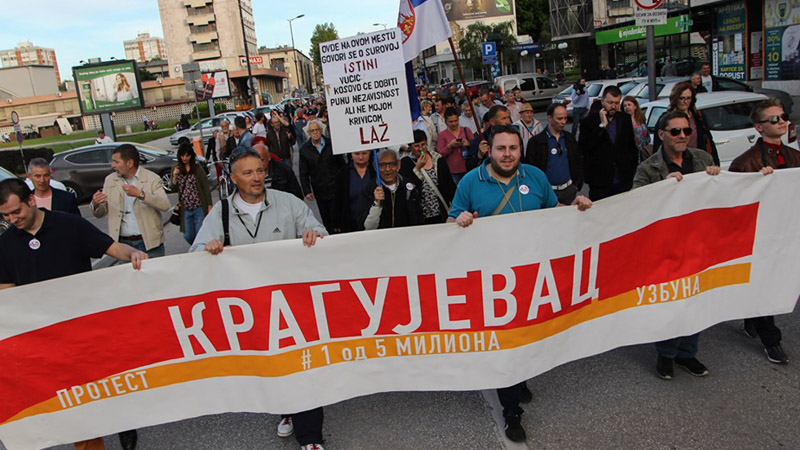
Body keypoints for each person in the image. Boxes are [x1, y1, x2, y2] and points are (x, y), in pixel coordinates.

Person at [447, 125, 591, 443]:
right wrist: (459, 222)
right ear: (489, 150)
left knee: (528, 335)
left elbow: (554, 213)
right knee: (506, 345)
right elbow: (449, 223)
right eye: (501, 148)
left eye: (513, 148)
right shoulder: (471, 182)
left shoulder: (535, 177)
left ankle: (520, 376)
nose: (508, 154)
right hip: (493, 282)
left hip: (531, 277)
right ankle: (511, 411)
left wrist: (577, 211)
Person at [189, 150, 327, 450]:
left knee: (302, 364)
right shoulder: (222, 212)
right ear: (234, 178)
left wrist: (313, 234)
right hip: (250, 309)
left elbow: (319, 231)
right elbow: (195, 253)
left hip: (292, 302)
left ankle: (311, 437)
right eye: (248, 173)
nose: (256, 178)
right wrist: (208, 247)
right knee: (274, 366)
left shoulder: (288, 202)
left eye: (260, 170)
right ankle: (288, 409)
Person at [0, 178, 146, 450]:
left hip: (84, 328)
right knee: (74, 400)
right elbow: (6, 290)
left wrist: (133, 254)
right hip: (45, 336)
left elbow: (112, 248)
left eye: (16, 212)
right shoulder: (5, 244)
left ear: (31, 201)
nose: (12, 219)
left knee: (105, 386)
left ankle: (123, 422)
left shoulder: (69, 225)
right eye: (5, 215)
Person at [630, 111, 721, 380]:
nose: (682, 136)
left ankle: (687, 354)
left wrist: (716, 176)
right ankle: (666, 355)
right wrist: (660, 190)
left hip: (698, 245)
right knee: (670, 302)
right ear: (661, 135)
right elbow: (634, 205)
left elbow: (720, 196)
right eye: (675, 132)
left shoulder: (702, 159)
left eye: (686, 131)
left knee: (695, 299)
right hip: (665, 248)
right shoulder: (648, 168)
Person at [729, 99, 799, 364]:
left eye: (782, 117)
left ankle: (751, 320)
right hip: (760, 236)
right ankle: (772, 340)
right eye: (773, 119)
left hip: (789, 232)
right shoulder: (745, 163)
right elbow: (734, 202)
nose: (781, 122)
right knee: (764, 284)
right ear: (759, 127)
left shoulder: (795, 157)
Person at [91, 144, 171, 258]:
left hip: (149, 244)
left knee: (154, 275)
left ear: (129, 163)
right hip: (123, 245)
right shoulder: (110, 180)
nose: (112, 165)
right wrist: (96, 204)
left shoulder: (152, 179)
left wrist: (141, 194)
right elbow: (101, 213)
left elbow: (165, 205)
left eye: (116, 162)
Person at [578, 85, 639, 200]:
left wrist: (631, 169)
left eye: (616, 103)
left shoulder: (624, 119)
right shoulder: (588, 122)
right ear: (602, 101)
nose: (613, 106)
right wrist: (602, 126)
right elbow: (585, 147)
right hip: (600, 181)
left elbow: (631, 146)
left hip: (622, 180)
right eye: (610, 102)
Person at [526, 103, 584, 205]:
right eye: (559, 118)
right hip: (548, 192)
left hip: (569, 190)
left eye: (565, 118)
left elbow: (578, 161)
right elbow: (531, 168)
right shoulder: (536, 142)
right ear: (549, 118)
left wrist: (577, 185)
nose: (563, 122)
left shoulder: (569, 138)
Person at [652, 82, 720, 166]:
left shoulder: (698, 117)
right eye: (682, 98)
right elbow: (658, 145)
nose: (685, 101)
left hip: (698, 162)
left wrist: (715, 163)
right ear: (676, 99)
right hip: (673, 163)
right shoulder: (665, 118)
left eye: (688, 98)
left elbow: (708, 141)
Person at [400, 130, 456, 224]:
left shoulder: (438, 159)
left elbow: (449, 184)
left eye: (423, 144)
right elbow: (407, 187)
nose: (421, 148)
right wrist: (417, 169)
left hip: (441, 212)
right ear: (410, 147)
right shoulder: (406, 162)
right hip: (421, 215)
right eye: (416, 146)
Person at [299, 120, 345, 233]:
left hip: (335, 187)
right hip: (319, 188)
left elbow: (342, 165)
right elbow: (303, 172)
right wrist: (307, 190)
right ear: (308, 133)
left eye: (317, 130)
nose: (315, 132)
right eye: (312, 131)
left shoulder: (332, 144)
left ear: (321, 130)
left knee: (338, 216)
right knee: (326, 218)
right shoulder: (304, 150)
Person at [361, 149, 422, 230]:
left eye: (392, 164)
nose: (388, 169)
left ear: (398, 165)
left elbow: (418, 217)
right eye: (382, 165)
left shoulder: (408, 186)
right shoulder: (369, 189)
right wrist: (377, 204)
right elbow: (368, 227)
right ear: (375, 166)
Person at [170, 143, 212, 244]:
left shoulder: (197, 169)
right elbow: (173, 188)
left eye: (187, 156)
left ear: (191, 156)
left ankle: (198, 249)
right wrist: (175, 176)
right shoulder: (176, 169)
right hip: (186, 208)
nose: (185, 158)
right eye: (182, 155)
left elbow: (205, 187)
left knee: (199, 232)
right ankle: (197, 246)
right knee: (188, 235)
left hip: (198, 206)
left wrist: (209, 205)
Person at [332, 150, 375, 233]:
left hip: (373, 222)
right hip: (350, 223)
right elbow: (338, 200)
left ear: (370, 153)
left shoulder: (376, 172)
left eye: (364, 153)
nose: (361, 157)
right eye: (357, 154)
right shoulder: (343, 174)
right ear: (351, 155)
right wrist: (336, 223)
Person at [466, 105, 511, 171]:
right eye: (503, 118)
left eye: (508, 118)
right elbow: (469, 166)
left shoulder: (513, 137)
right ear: (492, 122)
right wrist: (479, 155)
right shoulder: (480, 140)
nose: (508, 122)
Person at [437, 107, 473, 184]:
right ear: (446, 122)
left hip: (468, 168)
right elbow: (439, 154)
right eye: (450, 121)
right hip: (453, 171)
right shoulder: (442, 135)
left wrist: (468, 144)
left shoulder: (467, 130)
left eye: (455, 121)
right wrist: (449, 146)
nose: (454, 124)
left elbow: (475, 147)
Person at [623, 96, 652, 162]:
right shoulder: (623, 121)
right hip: (632, 154)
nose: (627, 107)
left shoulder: (641, 118)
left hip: (644, 153)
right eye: (625, 106)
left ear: (635, 106)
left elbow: (647, 135)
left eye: (629, 105)